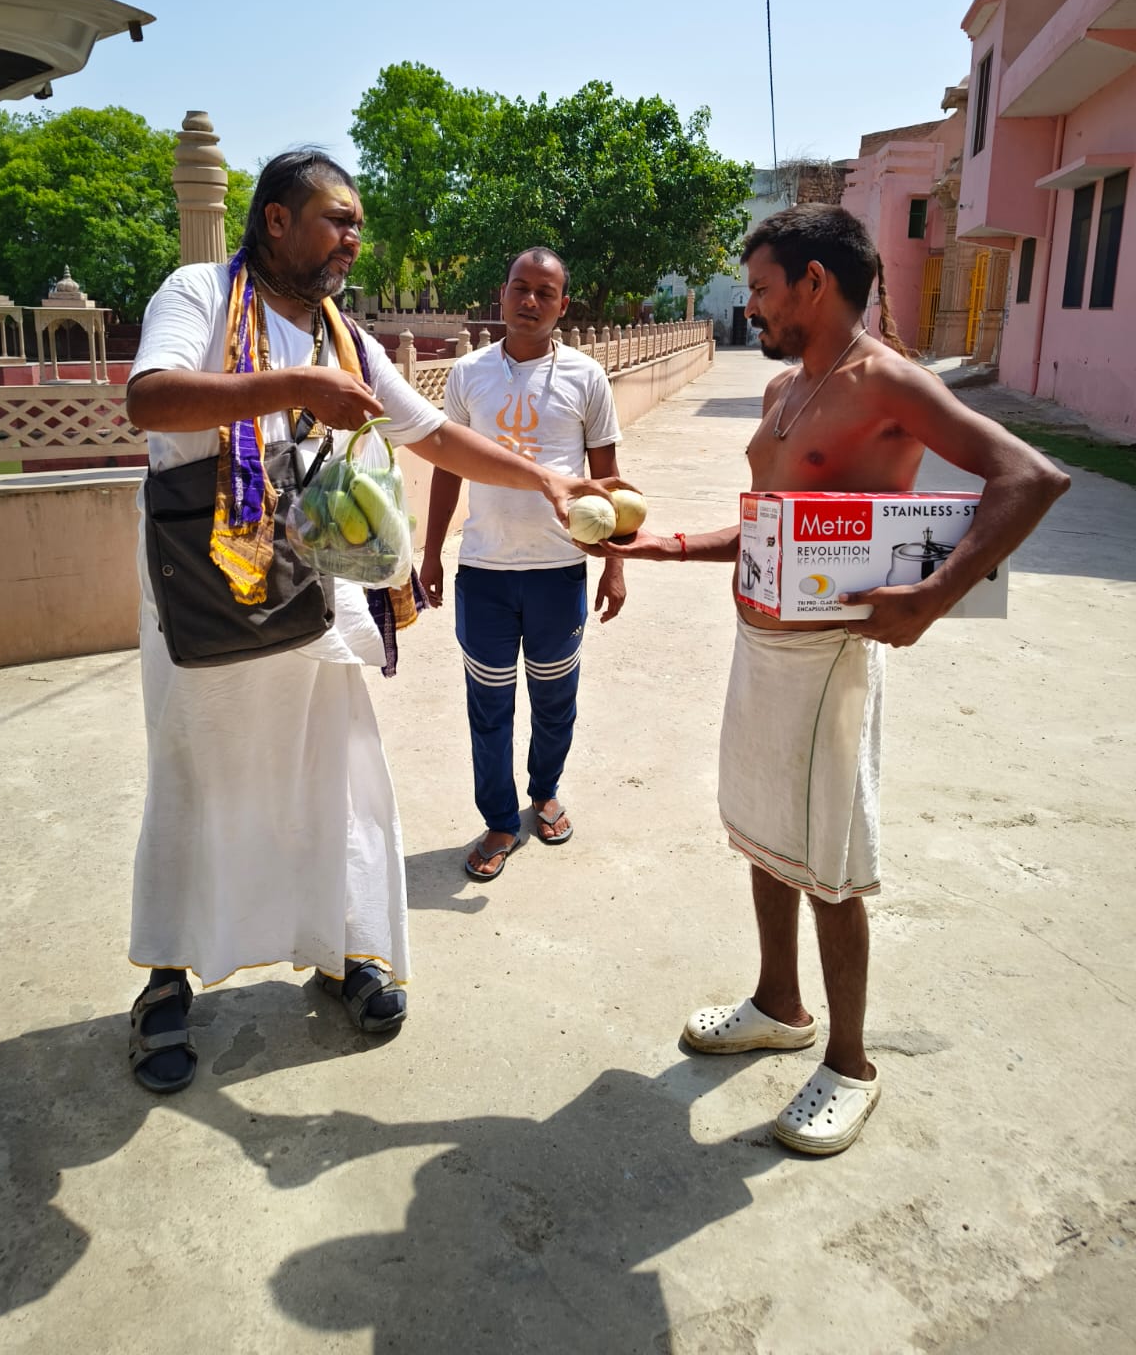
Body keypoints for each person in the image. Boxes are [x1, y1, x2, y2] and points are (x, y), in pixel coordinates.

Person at [580, 204, 1069, 1155]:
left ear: (814, 282)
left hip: (831, 657)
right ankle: (779, 1004)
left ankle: (851, 1065)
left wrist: (932, 595)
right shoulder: (783, 391)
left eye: (762, 289)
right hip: (760, 646)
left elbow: (1030, 477)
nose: (752, 307)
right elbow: (771, 528)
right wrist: (665, 544)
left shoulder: (886, 381)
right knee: (766, 834)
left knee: (831, 866)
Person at [125, 154, 608, 1093]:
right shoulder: (199, 293)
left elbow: (431, 433)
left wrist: (545, 479)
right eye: (336, 219)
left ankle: (346, 952)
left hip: (314, 595)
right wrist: (292, 390)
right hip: (207, 593)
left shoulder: (340, 335)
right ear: (275, 220)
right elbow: (150, 397)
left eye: (356, 223)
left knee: (335, 778)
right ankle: (166, 983)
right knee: (198, 782)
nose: (354, 238)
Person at [419, 248, 625, 881]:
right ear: (502, 294)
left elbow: (608, 482)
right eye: (519, 288)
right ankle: (500, 819)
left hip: (558, 570)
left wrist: (615, 566)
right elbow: (447, 466)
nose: (530, 301)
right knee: (488, 706)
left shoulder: (587, 377)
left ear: (563, 304)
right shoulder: (468, 373)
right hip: (484, 569)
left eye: (545, 292)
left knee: (555, 698)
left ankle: (545, 791)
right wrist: (432, 553)